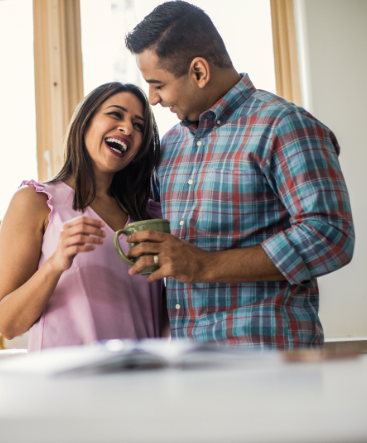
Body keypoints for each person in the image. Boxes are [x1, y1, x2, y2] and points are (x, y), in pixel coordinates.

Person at [123, 1, 355, 349]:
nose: (153, 99)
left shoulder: (283, 125)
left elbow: (330, 235)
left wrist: (204, 265)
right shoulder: (169, 146)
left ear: (199, 72)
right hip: (190, 370)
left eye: (158, 84)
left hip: (270, 367)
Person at [0, 82, 166, 352]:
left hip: (139, 384)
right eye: (115, 114)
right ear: (85, 122)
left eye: (139, 125)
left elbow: (160, 318)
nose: (128, 128)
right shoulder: (35, 202)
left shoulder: (150, 216)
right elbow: (7, 325)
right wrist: (55, 263)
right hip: (66, 387)